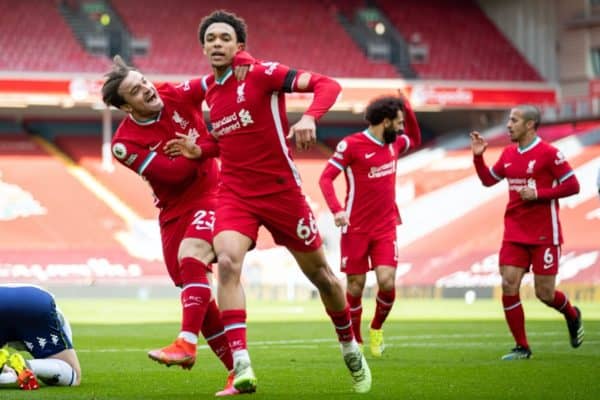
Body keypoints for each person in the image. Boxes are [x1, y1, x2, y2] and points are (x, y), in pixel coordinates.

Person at [165, 9, 371, 394]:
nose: (217, 44)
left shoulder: (261, 73)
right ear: (203, 48)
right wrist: (200, 148)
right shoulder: (210, 89)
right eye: (210, 39)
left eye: (225, 38)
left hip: (281, 192)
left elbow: (329, 84)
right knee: (226, 261)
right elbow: (223, 140)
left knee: (322, 277)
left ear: (239, 46)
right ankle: (241, 365)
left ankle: (348, 343)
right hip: (235, 192)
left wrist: (310, 117)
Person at [101, 54, 251, 396]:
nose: (147, 90)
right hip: (172, 211)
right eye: (136, 92)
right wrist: (194, 151)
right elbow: (173, 174)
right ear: (127, 107)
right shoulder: (124, 144)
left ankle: (185, 342)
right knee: (191, 289)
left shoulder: (176, 93)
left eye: (144, 82)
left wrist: (241, 61)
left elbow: (216, 81)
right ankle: (239, 372)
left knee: (192, 258)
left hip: (216, 191)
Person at [470, 105, 584, 360]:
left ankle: (572, 314)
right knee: (509, 283)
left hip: (544, 233)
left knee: (545, 293)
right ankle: (522, 347)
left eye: (514, 120)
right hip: (514, 231)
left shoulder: (549, 153)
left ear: (530, 124)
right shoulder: (509, 153)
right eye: (509, 120)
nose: (509, 125)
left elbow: (573, 185)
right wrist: (478, 157)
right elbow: (489, 180)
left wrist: (538, 194)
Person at [318, 96, 421, 357]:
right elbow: (325, 179)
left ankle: (376, 327)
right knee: (355, 286)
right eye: (398, 123)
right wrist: (337, 210)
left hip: (386, 226)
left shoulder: (395, 143)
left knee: (387, 281)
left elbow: (415, 140)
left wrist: (407, 109)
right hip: (356, 227)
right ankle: (357, 342)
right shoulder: (351, 145)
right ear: (385, 122)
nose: (401, 129)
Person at [0, 284, 81, 390]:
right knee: (74, 375)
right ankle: (26, 366)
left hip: (21, 301)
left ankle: (23, 368)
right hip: (35, 302)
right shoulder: (59, 320)